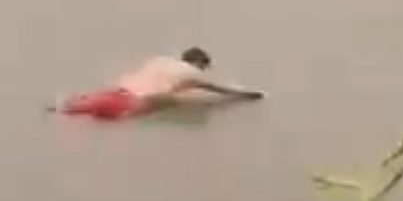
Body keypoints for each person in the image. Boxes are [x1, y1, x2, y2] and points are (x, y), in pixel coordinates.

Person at [56, 47, 263, 121]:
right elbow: (219, 90)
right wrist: (248, 95)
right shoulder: (191, 73)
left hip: (117, 92)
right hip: (132, 105)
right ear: (199, 63)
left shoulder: (160, 60)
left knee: (71, 111)